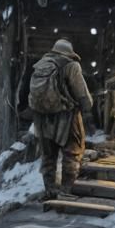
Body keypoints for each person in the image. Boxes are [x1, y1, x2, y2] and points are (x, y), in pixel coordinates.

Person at [30, 39, 93, 200]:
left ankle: (50, 190)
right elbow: (82, 93)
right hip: (66, 116)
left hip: (42, 117)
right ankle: (66, 190)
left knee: (48, 155)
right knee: (72, 152)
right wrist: (87, 107)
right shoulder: (71, 66)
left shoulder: (40, 65)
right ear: (69, 53)